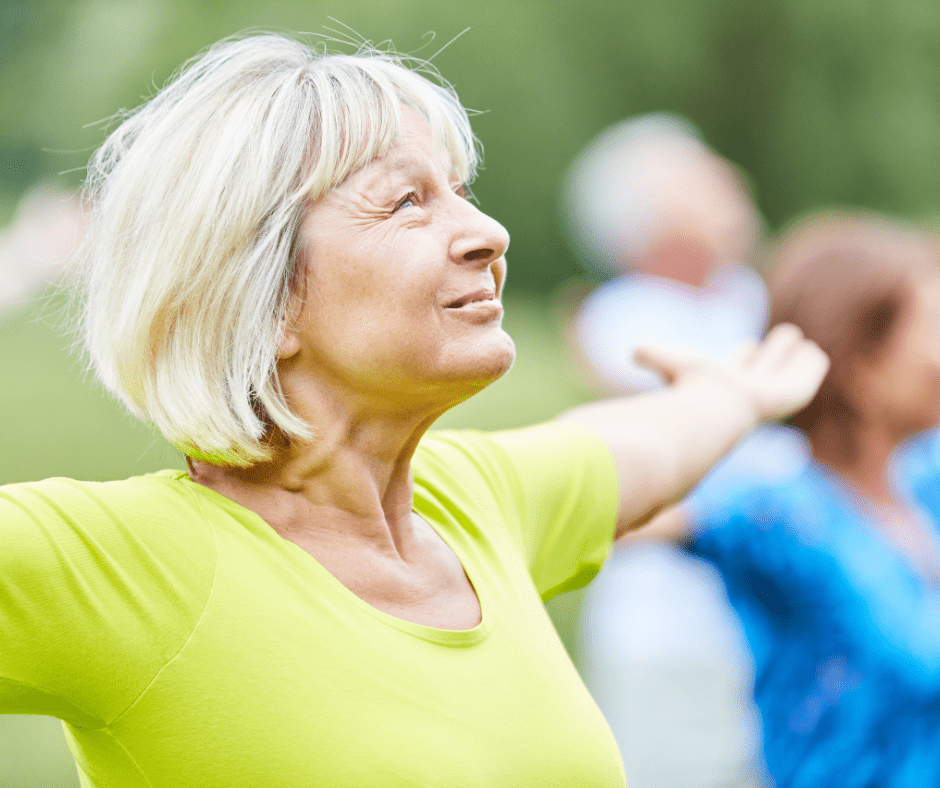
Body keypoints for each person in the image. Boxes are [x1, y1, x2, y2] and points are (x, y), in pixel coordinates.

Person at [0, 33, 828, 787]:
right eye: (406, 202)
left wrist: (735, 395)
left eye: (462, 192)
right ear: (264, 298)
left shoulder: (471, 505)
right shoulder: (126, 569)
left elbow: (633, 444)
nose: (488, 233)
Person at [615, 212, 940, 787]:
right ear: (861, 365)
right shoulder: (781, 514)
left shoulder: (923, 482)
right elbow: (605, 508)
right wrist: (703, 412)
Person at [566, 114, 794, 786]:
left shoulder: (746, 298)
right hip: (673, 638)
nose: (732, 186)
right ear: (653, 222)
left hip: (764, 622)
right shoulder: (625, 317)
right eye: (703, 181)